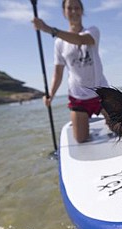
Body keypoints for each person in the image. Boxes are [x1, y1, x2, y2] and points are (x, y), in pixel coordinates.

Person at [32, 0, 109, 143]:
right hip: (78, 95)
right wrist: (50, 95)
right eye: (69, 8)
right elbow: (58, 73)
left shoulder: (92, 31)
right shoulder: (59, 43)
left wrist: (49, 29)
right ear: (64, 12)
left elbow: (80, 40)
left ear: (82, 11)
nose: (73, 11)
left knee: (119, 128)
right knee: (80, 139)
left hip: (101, 92)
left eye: (77, 8)